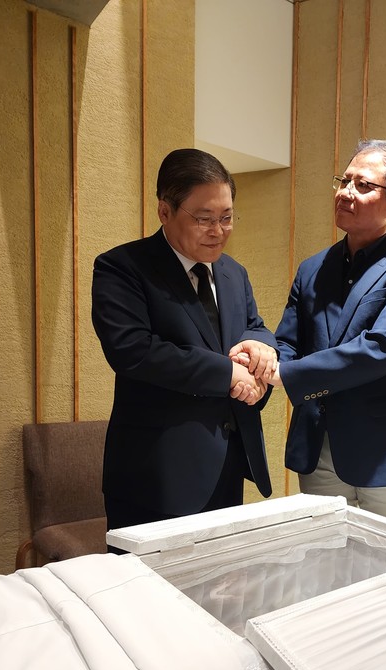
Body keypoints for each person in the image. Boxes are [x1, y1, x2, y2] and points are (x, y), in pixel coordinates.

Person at [233, 139, 386, 527]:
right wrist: (259, 362)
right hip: (317, 443)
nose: (346, 192)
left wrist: (285, 374)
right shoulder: (312, 269)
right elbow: (288, 342)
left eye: (363, 185)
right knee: (322, 554)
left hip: (384, 448)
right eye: (344, 180)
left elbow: (381, 349)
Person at [92, 148, 278, 539]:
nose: (218, 231)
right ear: (165, 211)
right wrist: (229, 374)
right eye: (204, 218)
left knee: (221, 576)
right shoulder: (123, 267)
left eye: (227, 217)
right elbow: (133, 351)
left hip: (228, 462)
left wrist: (262, 350)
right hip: (156, 474)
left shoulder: (234, 273)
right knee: (145, 579)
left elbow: (253, 327)